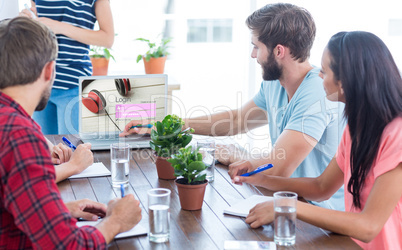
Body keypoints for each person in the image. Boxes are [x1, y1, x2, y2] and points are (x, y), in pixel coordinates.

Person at [120, 3, 345, 211]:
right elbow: (238, 120)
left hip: (318, 217)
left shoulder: (317, 91)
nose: (253, 55)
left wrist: (237, 154)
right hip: (285, 202)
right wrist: (169, 125)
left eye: (256, 47)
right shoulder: (275, 84)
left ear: (278, 51)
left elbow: (277, 169)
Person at [237, 31, 402, 249]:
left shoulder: (396, 134)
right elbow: (321, 186)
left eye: (324, 71)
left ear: (345, 81)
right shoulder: (357, 128)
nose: (319, 76)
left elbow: (368, 226)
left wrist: (287, 206)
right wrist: (260, 179)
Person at [0, 17, 141, 248]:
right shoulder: (19, 135)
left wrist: (57, 211)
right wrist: (116, 221)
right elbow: (67, 245)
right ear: (49, 70)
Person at [20, 0, 114, 135]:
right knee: (46, 152)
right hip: (40, 84)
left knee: (71, 149)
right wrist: (27, 23)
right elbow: (37, 35)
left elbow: (107, 39)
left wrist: (60, 27)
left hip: (73, 86)